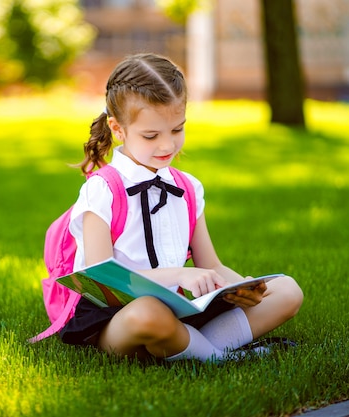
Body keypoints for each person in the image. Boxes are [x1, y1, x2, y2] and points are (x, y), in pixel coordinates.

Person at [59, 53, 303, 363]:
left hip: (177, 310)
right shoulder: (102, 190)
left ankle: (194, 347)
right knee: (149, 313)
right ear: (117, 129)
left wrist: (241, 288)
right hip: (119, 319)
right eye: (151, 135)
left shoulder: (188, 188)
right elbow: (100, 277)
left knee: (286, 290)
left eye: (177, 130)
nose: (167, 146)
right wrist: (179, 275)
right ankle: (220, 357)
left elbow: (212, 265)